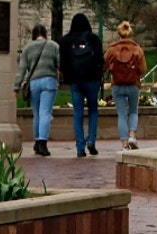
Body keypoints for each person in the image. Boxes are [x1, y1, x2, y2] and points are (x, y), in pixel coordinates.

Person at [59, 12, 103, 157]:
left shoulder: (65, 41)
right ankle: (91, 140)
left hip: (74, 81)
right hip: (91, 79)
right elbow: (100, 60)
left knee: (78, 112)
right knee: (93, 111)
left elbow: (63, 63)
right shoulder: (94, 39)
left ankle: (80, 147)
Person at [14, 24, 60, 156]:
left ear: (34, 34)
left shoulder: (27, 48)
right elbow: (59, 63)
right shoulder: (54, 46)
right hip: (49, 81)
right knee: (45, 112)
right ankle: (43, 143)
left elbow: (21, 69)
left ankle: (36, 142)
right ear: (45, 33)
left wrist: (16, 87)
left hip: (34, 83)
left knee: (37, 114)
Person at [103, 20, 146, 150]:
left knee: (122, 114)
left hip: (117, 84)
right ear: (130, 34)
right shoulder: (137, 49)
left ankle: (124, 144)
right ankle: (132, 135)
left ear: (119, 34)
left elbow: (103, 65)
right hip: (133, 84)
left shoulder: (111, 49)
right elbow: (143, 69)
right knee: (133, 111)